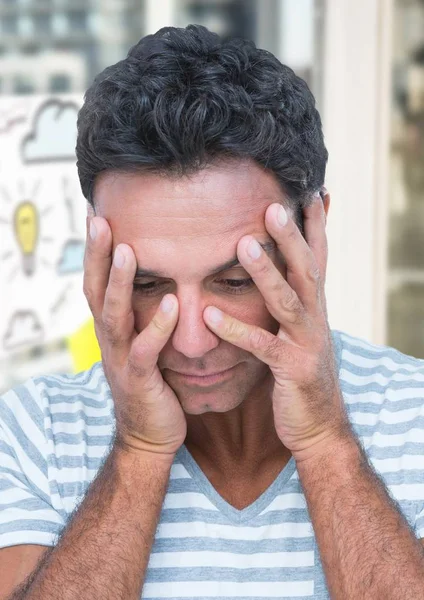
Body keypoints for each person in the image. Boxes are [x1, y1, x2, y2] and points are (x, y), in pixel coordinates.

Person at [1, 24, 424, 600]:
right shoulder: (33, 434)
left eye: (233, 279)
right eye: (148, 282)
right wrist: (140, 451)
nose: (194, 341)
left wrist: (326, 440)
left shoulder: (415, 417)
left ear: (314, 235)